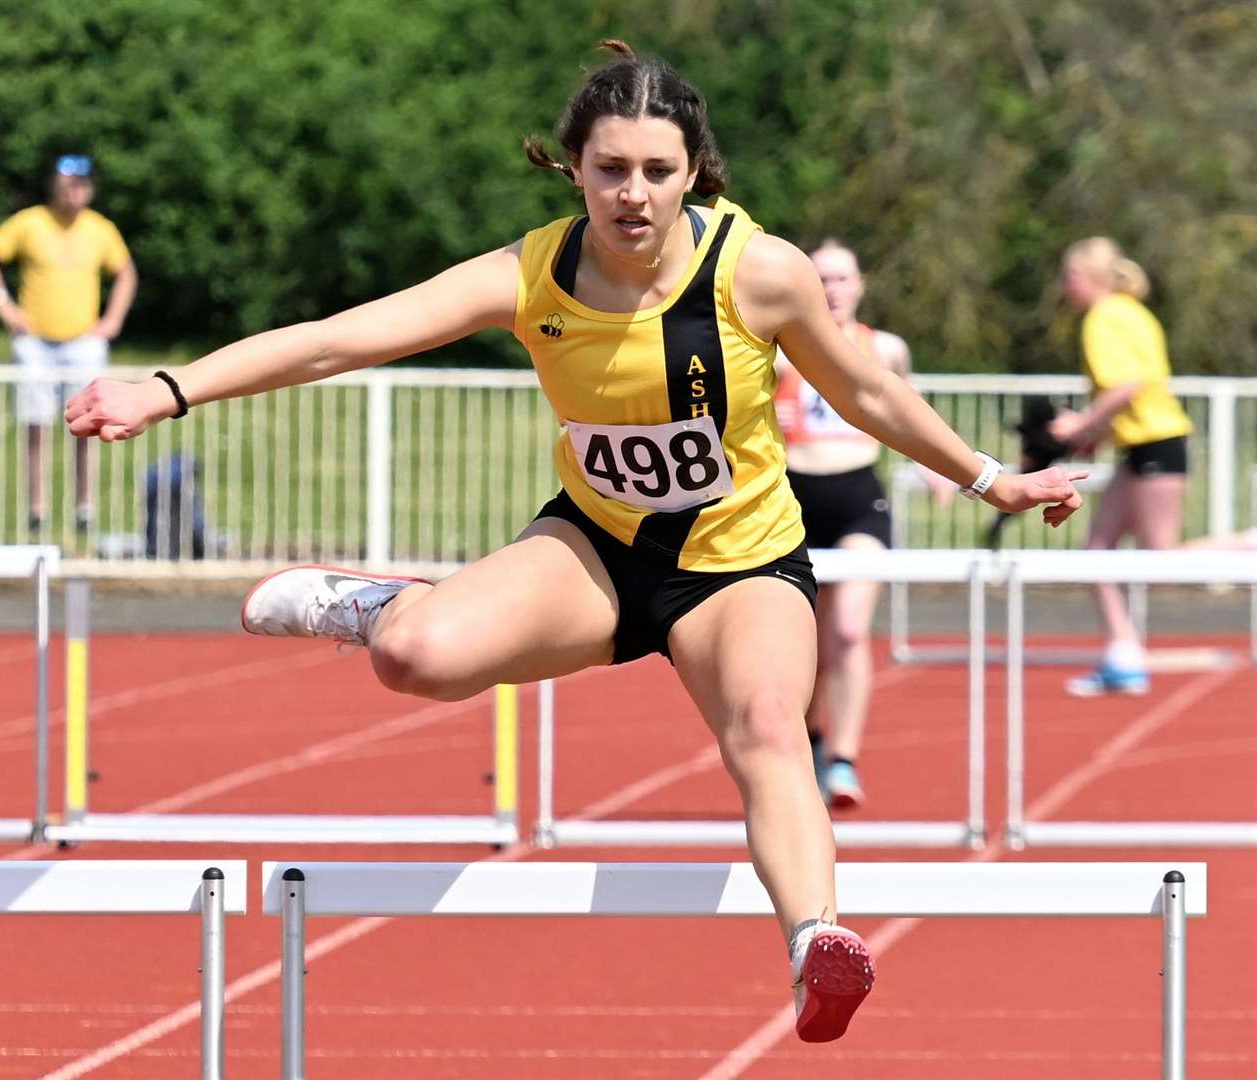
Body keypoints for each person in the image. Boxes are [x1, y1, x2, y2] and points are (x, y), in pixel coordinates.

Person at [66, 42, 1084, 1043]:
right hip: (597, 550)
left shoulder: (757, 274)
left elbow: (863, 390)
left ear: (694, 173)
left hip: (738, 564)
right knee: (412, 659)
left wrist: (991, 481)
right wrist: (167, 389)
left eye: (655, 172)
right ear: (574, 168)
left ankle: (815, 941)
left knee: (771, 730)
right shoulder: (532, 272)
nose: (632, 196)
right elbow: (348, 335)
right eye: (609, 171)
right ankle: (378, 606)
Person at [774, 240, 953, 809]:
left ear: (860, 285)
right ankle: (810, 739)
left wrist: (939, 466)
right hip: (791, 502)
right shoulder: (779, 347)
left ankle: (845, 759)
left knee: (849, 630)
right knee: (800, 646)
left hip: (857, 499)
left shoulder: (886, 348)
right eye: (820, 279)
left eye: (841, 280)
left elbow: (907, 406)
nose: (831, 291)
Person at [1051, 238, 1191, 697]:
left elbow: (1128, 386)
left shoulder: (1104, 317)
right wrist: (1099, 435)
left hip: (1157, 444)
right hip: (1142, 446)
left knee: (1162, 557)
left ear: (1086, 278)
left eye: (1067, 276)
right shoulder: (1132, 311)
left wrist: (1079, 425)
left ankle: (1248, 546)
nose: (1063, 286)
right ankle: (1123, 652)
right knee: (1098, 551)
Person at [0, 154, 137, 535]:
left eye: (80, 183)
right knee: (37, 424)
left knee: (89, 424)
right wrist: (4, 305)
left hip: (83, 341)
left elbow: (126, 272)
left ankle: (84, 508)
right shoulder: (30, 222)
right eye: (66, 183)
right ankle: (38, 510)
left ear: (90, 188)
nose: (73, 191)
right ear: (54, 185)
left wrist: (113, 320)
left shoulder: (100, 229)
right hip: (35, 342)